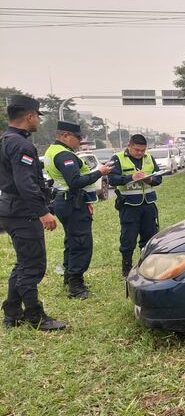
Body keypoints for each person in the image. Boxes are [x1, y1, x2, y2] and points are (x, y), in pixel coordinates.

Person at [0, 95, 67, 330]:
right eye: (37, 116)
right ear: (29, 116)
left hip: (10, 211)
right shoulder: (21, 144)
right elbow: (25, 183)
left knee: (22, 263)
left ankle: (12, 313)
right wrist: (42, 212)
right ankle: (35, 316)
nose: (38, 121)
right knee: (32, 266)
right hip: (24, 213)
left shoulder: (5, 139)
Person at [44, 121, 113, 298]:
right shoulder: (64, 155)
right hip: (73, 203)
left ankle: (69, 278)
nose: (80, 142)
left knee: (72, 240)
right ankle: (76, 286)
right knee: (81, 242)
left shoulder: (52, 151)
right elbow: (74, 182)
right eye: (78, 138)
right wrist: (100, 172)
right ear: (65, 136)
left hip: (64, 201)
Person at [108, 134, 163, 277]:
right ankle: (126, 269)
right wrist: (130, 178)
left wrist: (151, 179)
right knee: (128, 239)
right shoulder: (118, 158)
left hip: (148, 204)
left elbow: (159, 177)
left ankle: (147, 266)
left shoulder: (149, 158)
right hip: (129, 206)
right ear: (129, 146)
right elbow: (112, 179)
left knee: (150, 237)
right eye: (137, 150)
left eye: (143, 150)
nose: (140, 153)